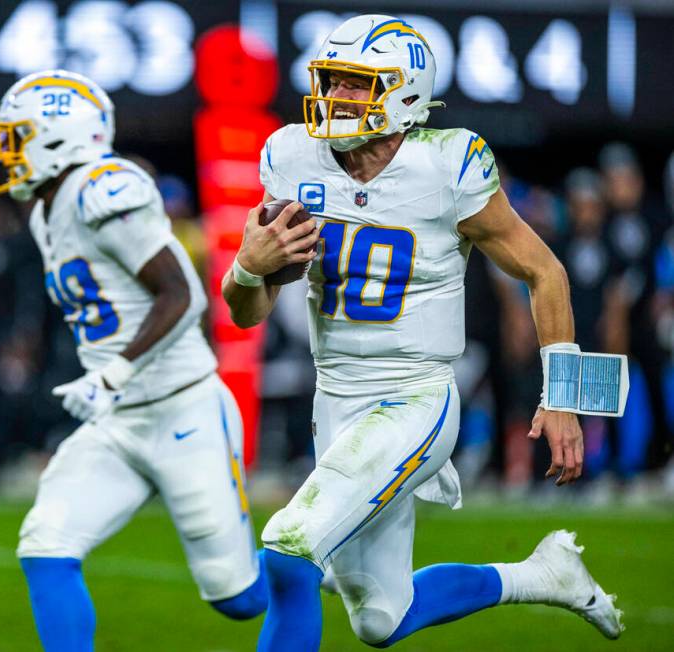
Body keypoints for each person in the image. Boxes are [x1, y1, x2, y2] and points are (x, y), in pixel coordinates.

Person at [221, 15, 624, 650]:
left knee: (287, 552)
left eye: (358, 84)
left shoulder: (448, 163)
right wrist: (249, 267)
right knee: (380, 617)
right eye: (332, 81)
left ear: (405, 92)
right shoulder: (291, 155)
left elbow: (545, 272)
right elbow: (246, 311)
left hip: (414, 396)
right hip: (337, 398)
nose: (337, 98)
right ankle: (542, 575)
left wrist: (566, 397)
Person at [0, 70, 267, 651]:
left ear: (61, 138)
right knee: (46, 543)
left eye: (18, 135)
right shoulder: (43, 211)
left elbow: (182, 294)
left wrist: (113, 372)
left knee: (239, 599)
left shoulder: (103, 187)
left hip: (182, 409)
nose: (3, 150)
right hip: (117, 420)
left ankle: (313, 566)